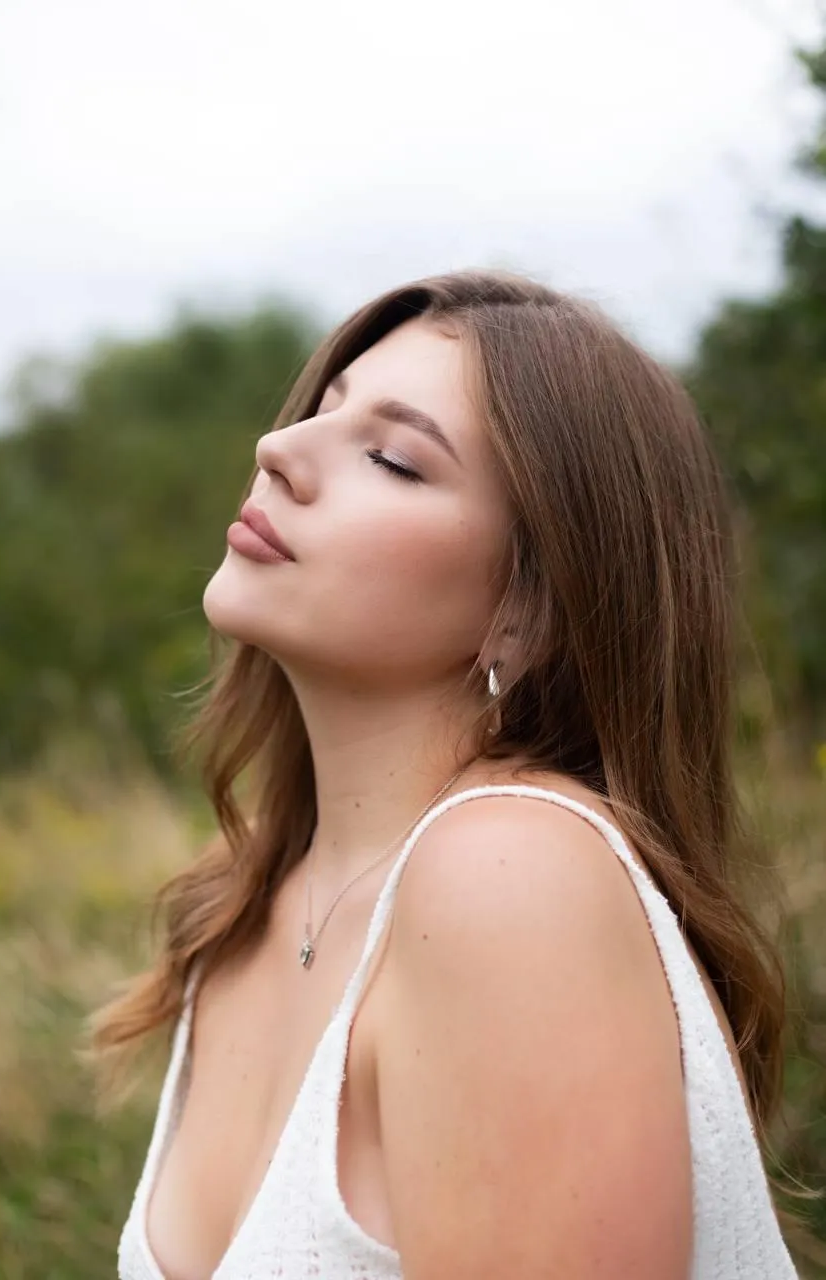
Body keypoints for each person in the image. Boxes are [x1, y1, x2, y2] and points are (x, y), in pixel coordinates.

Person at [100, 269, 800, 1279]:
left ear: (530, 609)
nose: (277, 450)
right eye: (321, 408)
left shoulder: (510, 878)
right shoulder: (244, 908)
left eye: (392, 458)